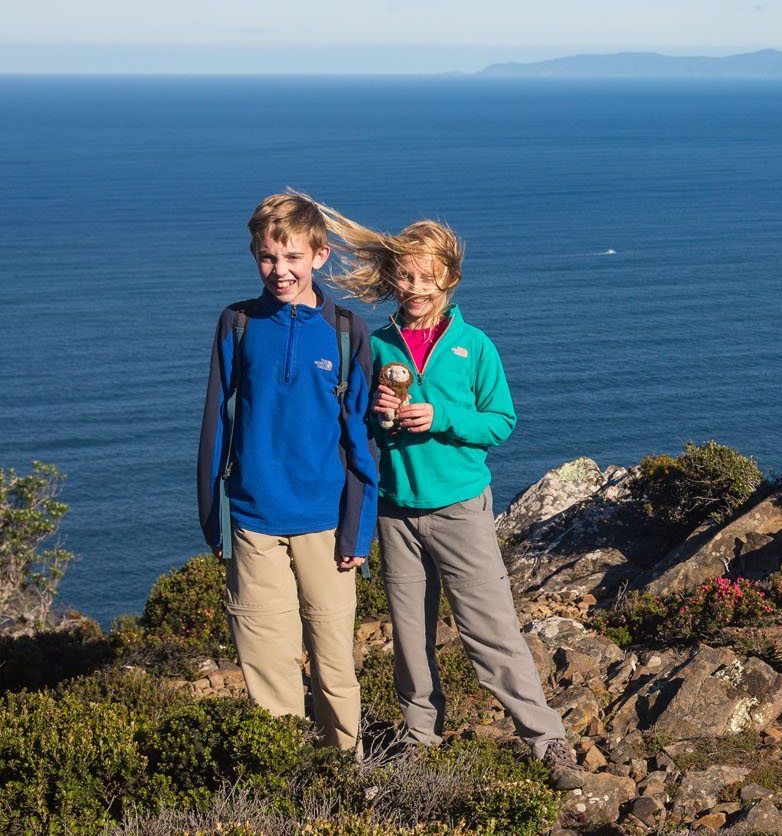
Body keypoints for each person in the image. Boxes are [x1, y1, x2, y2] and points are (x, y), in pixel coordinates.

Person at [314, 197, 583, 789]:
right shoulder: (374, 343)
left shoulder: (474, 345)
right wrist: (380, 416)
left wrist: (440, 416)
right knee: (410, 637)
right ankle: (418, 738)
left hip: (460, 508)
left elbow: (502, 423)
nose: (415, 286)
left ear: (449, 278)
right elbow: (358, 422)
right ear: (392, 278)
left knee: (490, 630)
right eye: (404, 275)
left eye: (427, 276)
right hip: (394, 509)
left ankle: (546, 739)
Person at [197, 193, 378, 751]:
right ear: (256, 256)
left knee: (335, 666)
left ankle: (345, 778)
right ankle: (285, 783)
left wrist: (358, 529)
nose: (280, 270)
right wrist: (214, 524)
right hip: (252, 520)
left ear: (320, 256)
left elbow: (362, 441)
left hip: (326, 525)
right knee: (267, 669)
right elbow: (214, 430)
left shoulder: (348, 333)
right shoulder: (238, 325)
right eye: (268, 258)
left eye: (293, 257)